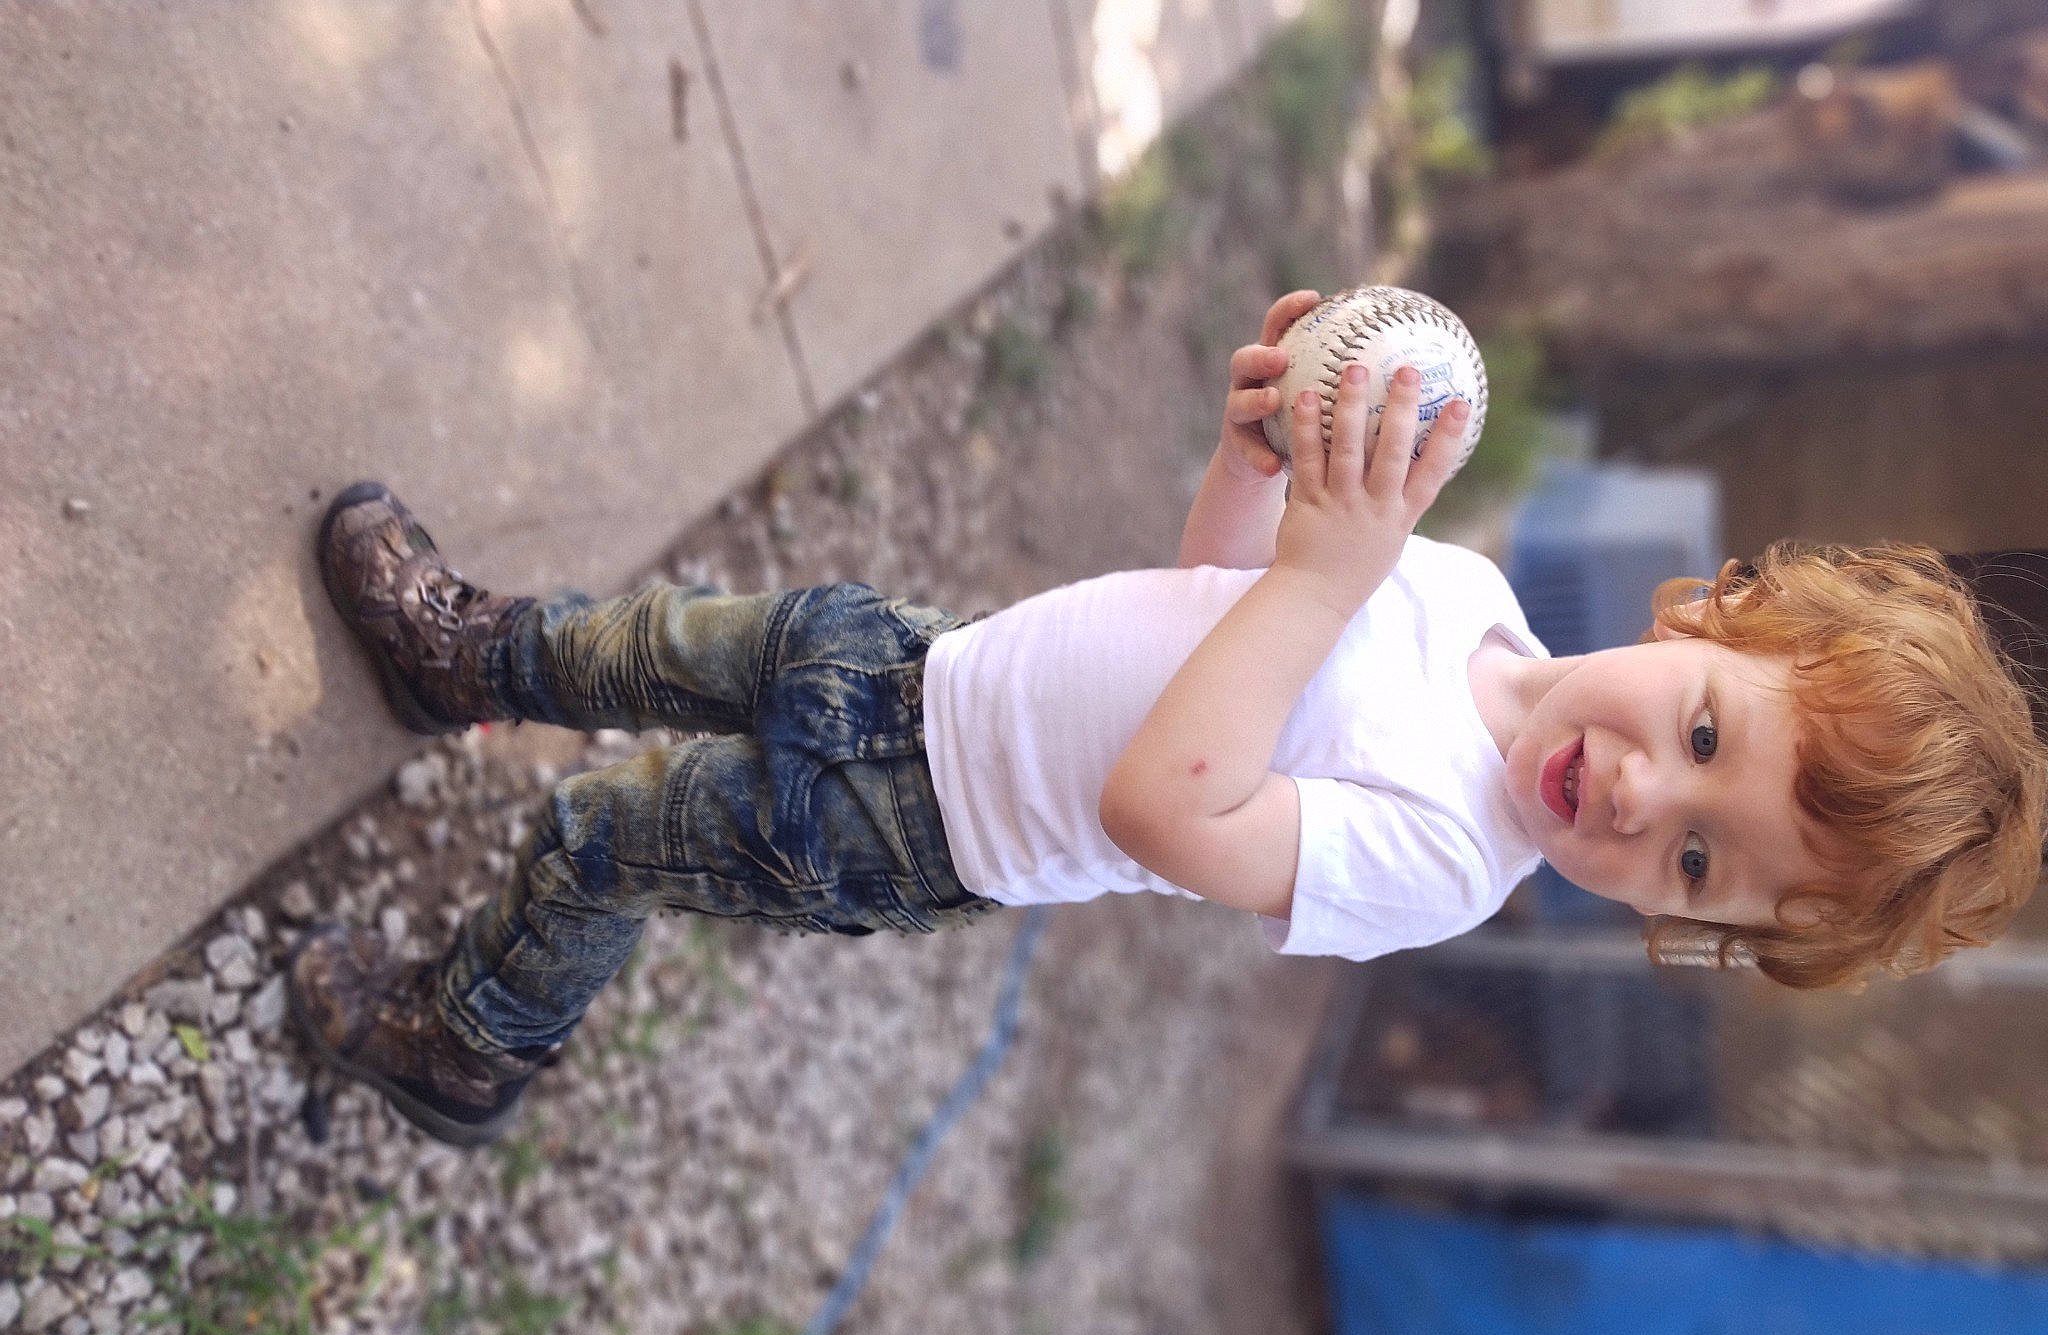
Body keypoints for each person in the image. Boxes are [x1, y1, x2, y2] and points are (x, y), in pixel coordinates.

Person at [290, 291, 2048, 1147]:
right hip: (929, 664)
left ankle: (472, 1044)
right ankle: (471, 661)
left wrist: (1327, 573)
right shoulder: (1476, 605)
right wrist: (1255, 477)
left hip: (923, 826)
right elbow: (1221, 603)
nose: (1644, 792)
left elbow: (1166, 808)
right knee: (652, 649)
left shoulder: (1448, 861)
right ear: (1716, 615)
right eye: (1712, 741)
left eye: (1692, 858)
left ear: (1678, 922)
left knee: (608, 840)